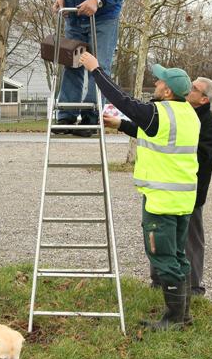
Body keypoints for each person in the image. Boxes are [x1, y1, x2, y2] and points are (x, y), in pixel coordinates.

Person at [79, 51, 200, 330]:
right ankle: (184, 315)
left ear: (167, 91)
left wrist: (96, 70)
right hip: (182, 199)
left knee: (163, 258)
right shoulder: (186, 115)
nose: (155, 84)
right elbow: (151, 132)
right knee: (178, 255)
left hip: (161, 201)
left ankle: (173, 320)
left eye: (158, 82)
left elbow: (123, 101)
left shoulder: (158, 112)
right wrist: (120, 125)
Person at [47, 0, 128, 137]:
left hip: (103, 18)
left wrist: (98, 0)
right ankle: (66, 115)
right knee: (71, 63)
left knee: (98, 65)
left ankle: (92, 116)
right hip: (73, 16)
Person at [149, 77, 212, 296]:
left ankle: (193, 286)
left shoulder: (209, 124)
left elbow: (201, 159)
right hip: (167, 188)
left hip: (190, 193)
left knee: (190, 240)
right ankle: (159, 281)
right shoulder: (179, 112)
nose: (189, 90)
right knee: (161, 234)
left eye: (194, 89)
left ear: (204, 99)